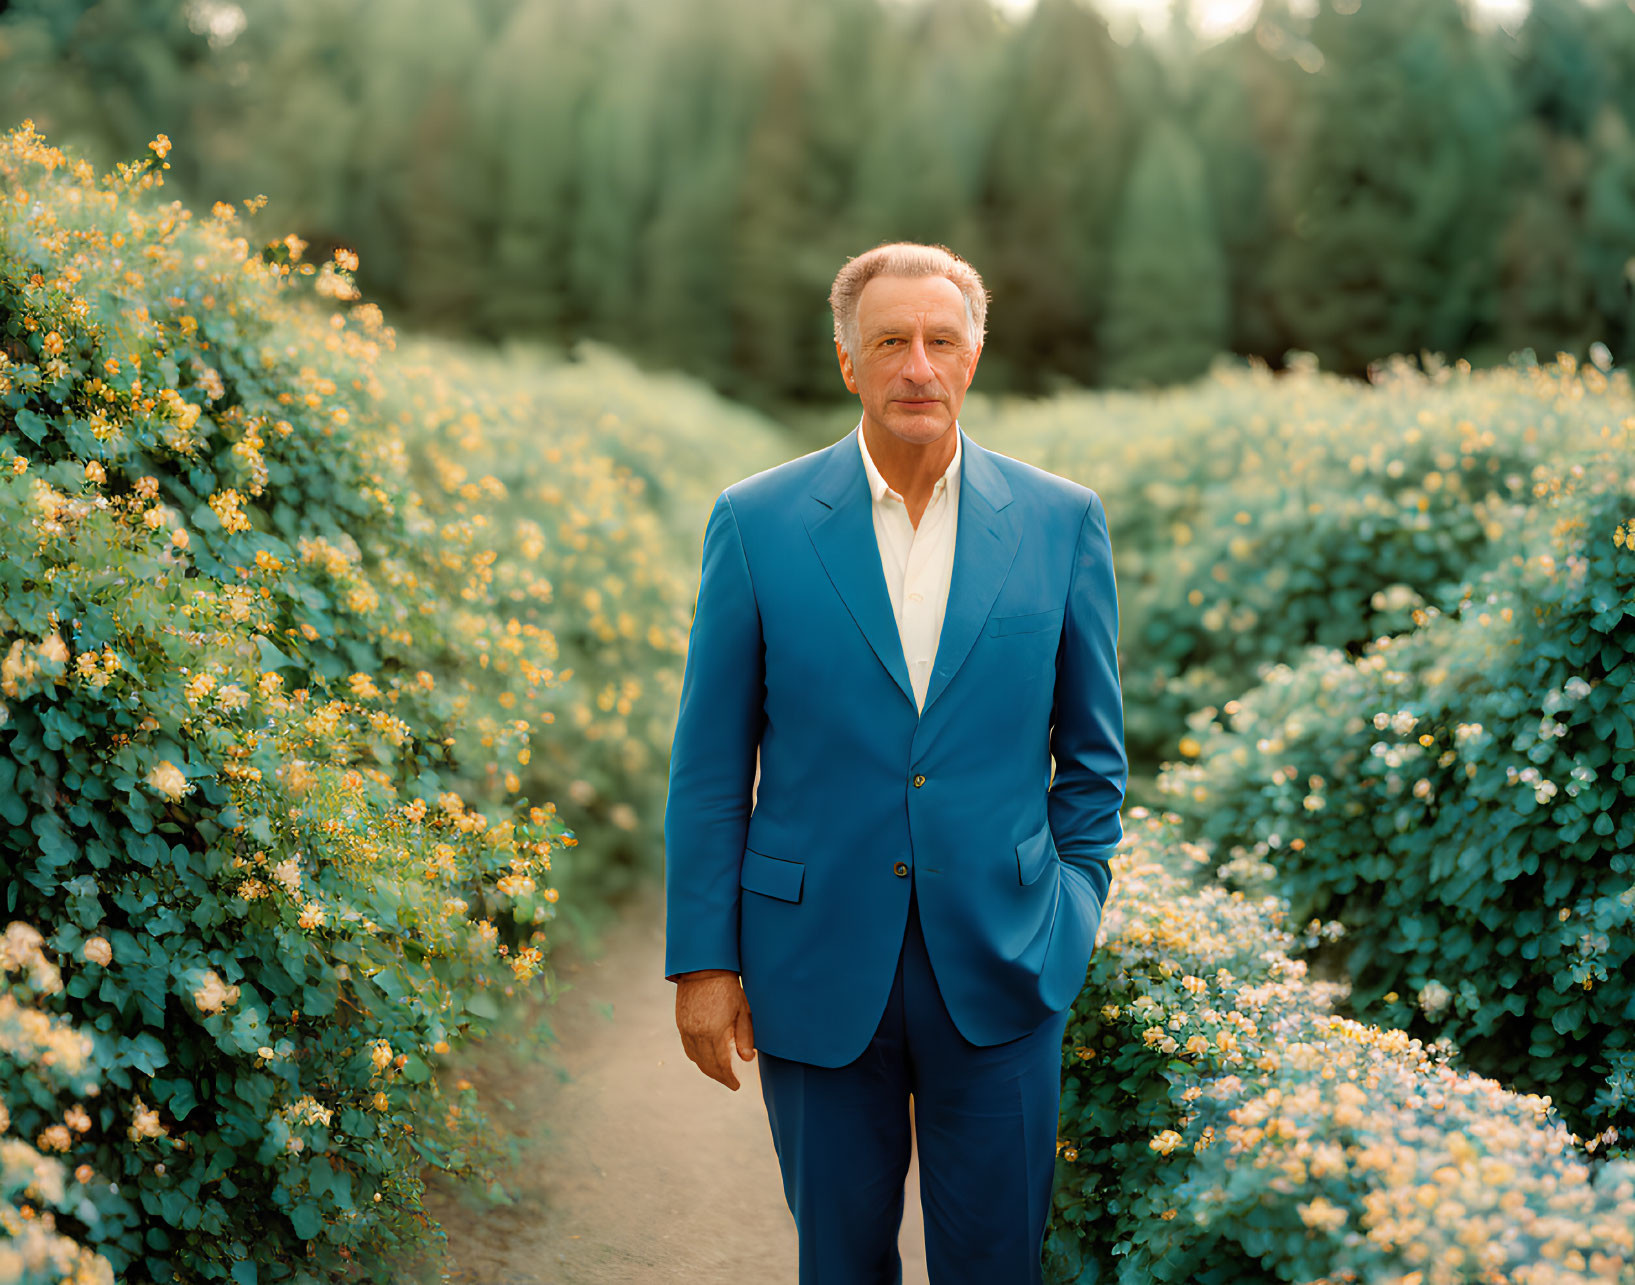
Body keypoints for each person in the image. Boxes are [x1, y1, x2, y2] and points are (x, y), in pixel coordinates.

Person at [663, 240, 1126, 1284]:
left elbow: (1093, 760)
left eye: (940, 341)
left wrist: (1073, 911)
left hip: (1006, 963)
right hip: (812, 958)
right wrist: (704, 958)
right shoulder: (756, 521)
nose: (916, 364)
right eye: (889, 341)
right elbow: (708, 763)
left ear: (971, 360)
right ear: (848, 363)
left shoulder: (1062, 522)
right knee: (839, 1263)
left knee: (997, 1264)